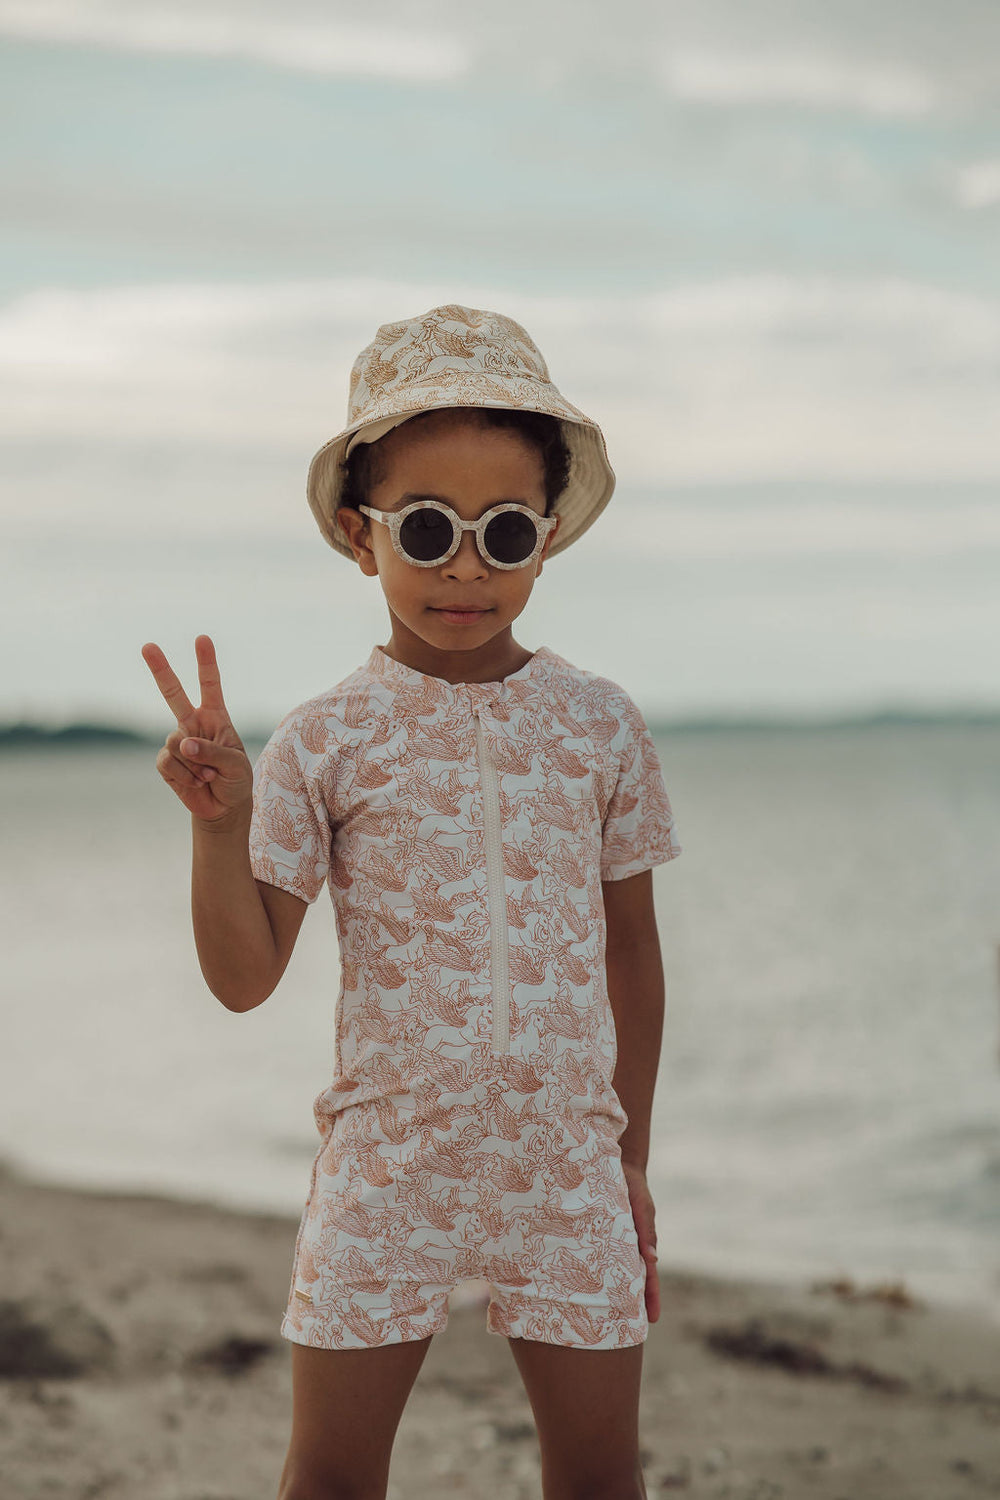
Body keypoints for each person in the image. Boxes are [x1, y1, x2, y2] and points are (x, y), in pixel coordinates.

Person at [141, 303, 682, 1500]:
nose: (466, 570)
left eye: (506, 533)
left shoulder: (598, 725)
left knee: (601, 1480)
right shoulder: (325, 739)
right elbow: (242, 979)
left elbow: (631, 960)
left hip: (567, 1165)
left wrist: (629, 1162)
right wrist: (222, 827)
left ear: (548, 537)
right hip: (387, 1163)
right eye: (428, 528)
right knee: (330, 1478)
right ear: (357, 532)